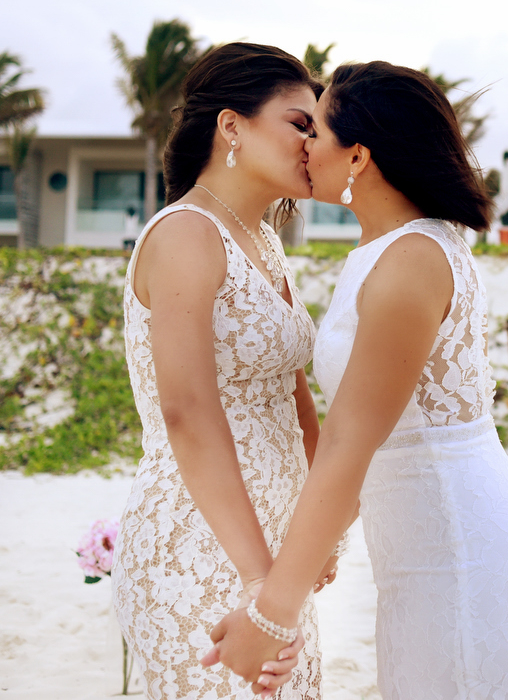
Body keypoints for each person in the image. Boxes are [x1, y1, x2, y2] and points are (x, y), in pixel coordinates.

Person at [202, 61, 508, 699]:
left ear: (358, 156)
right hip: (424, 548)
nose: (305, 144)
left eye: (318, 129)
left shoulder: (411, 260)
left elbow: (351, 439)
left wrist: (269, 613)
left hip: (459, 548)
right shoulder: (386, 250)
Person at [113, 43, 340, 699]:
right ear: (231, 126)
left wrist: (317, 532)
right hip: (202, 539)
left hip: (275, 548)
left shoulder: (261, 238)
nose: (313, 142)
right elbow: (186, 411)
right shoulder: (186, 234)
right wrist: (257, 579)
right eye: (300, 122)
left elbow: (294, 392)